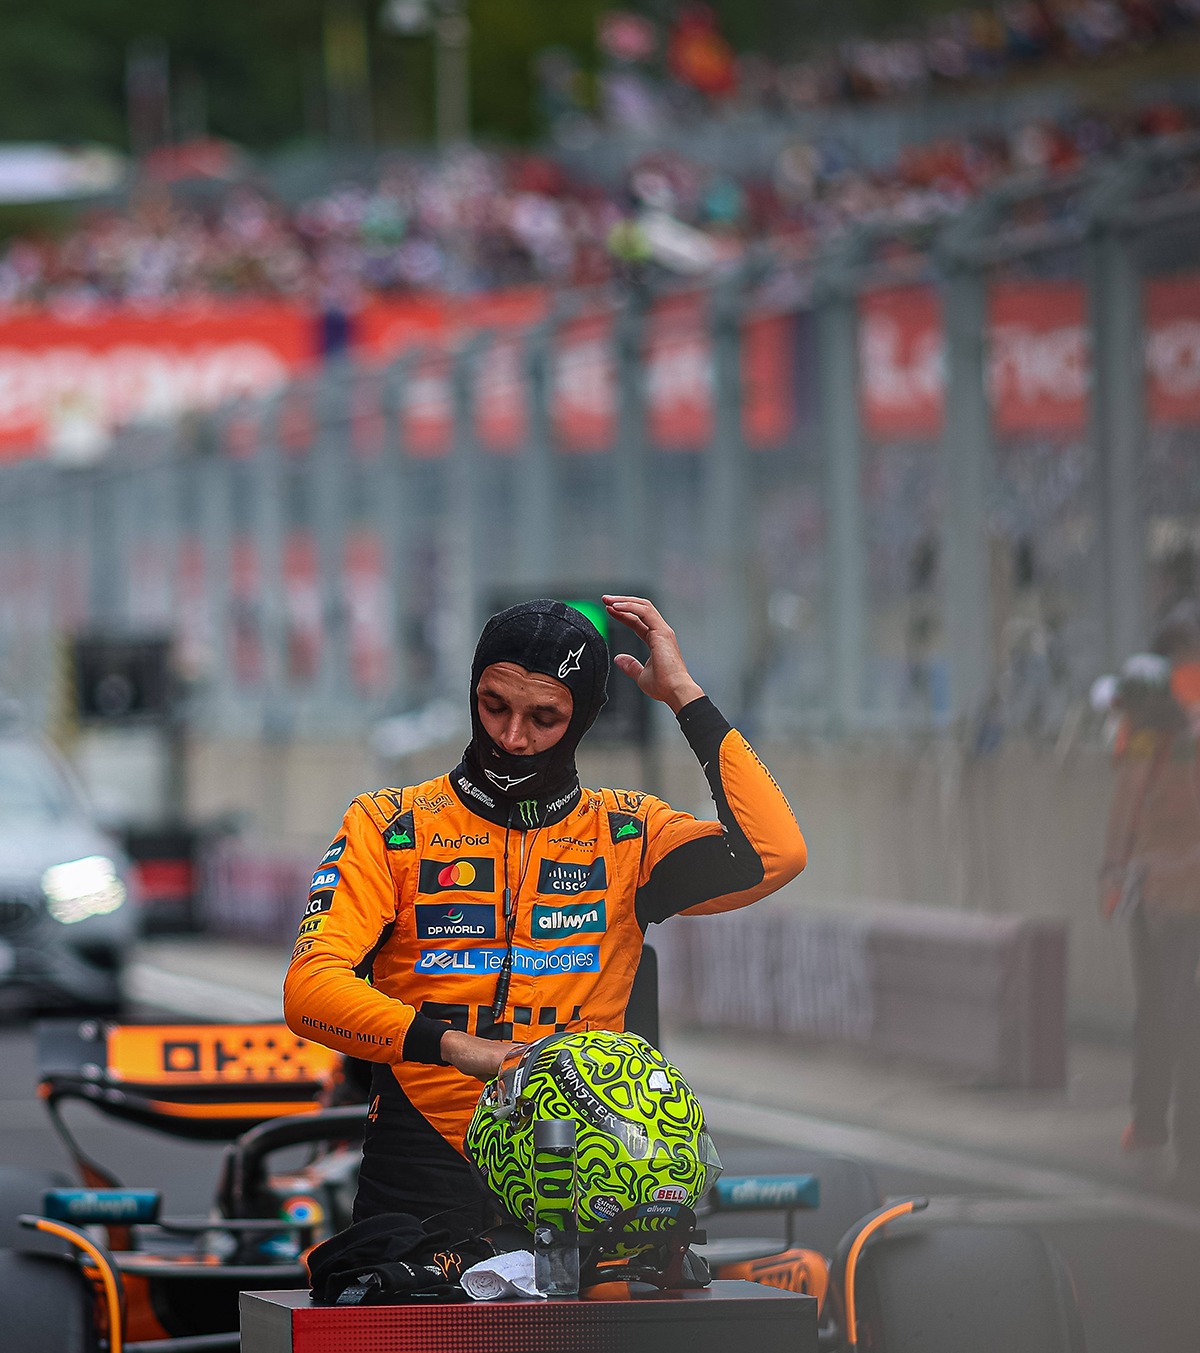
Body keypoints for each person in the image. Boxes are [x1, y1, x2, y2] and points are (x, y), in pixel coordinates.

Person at [284, 594, 807, 1234]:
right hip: (423, 1156)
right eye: (494, 705)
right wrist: (458, 1048)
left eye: (544, 717)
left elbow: (775, 854)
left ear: (582, 718)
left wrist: (685, 699)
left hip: (589, 1160)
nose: (512, 737)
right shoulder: (390, 825)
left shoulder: (630, 835)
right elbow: (309, 989)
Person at [1097, 607, 1200, 1190]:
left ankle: (1156, 1126)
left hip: (1160, 890)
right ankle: (1184, 1135)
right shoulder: (1185, 727)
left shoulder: (1146, 737)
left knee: (1163, 1009)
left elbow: (1126, 808)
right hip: (1182, 885)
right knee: (1183, 1010)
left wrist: (1112, 874)